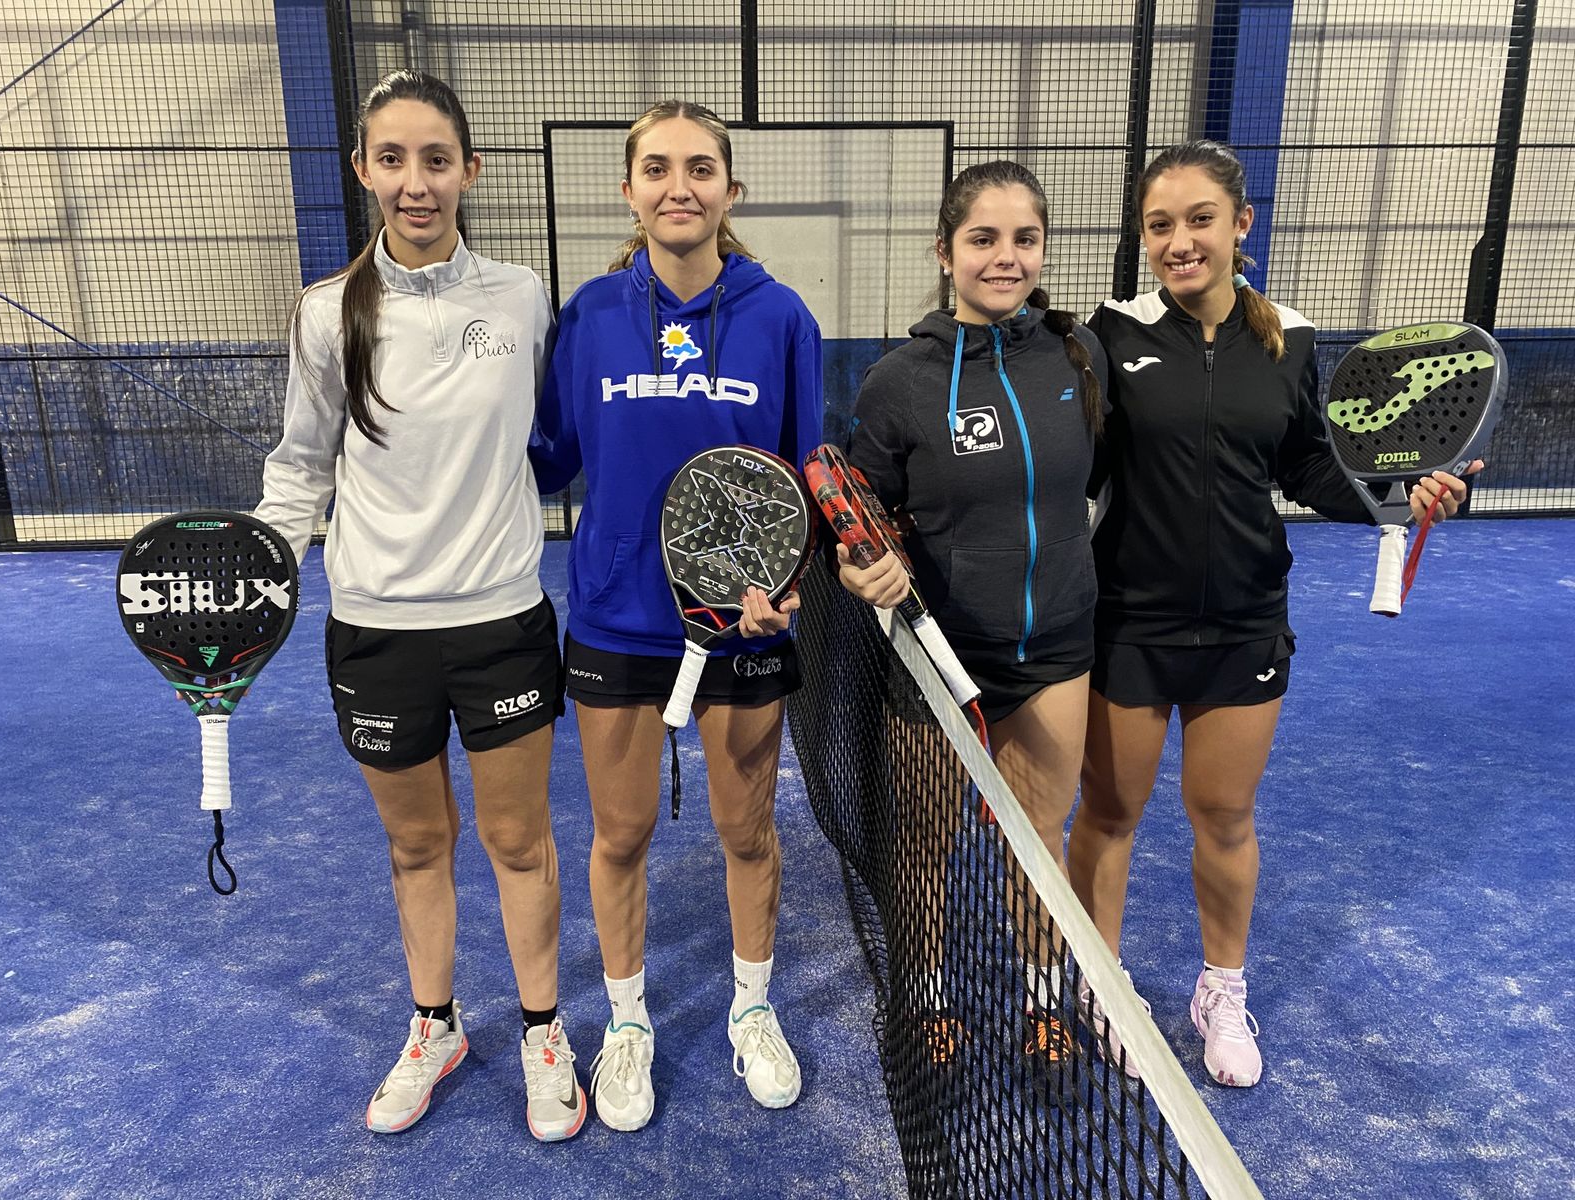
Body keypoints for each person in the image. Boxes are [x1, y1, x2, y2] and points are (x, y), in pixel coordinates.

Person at [1070, 139, 1479, 1088]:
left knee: (1224, 813)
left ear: (1241, 225)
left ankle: (1222, 988)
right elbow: (1074, 467)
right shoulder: (1107, 332)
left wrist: (1396, 492)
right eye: (1160, 225)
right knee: (1113, 811)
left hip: (1246, 624)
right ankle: (1101, 981)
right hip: (1127, 623)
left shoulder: (1288, 339)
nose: (1180, 242)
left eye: (1199, 220)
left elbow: (1304, 465)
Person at [255, 69, 585, 1142]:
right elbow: (302, 466)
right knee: (415, 846)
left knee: (518, 841)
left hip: (500, 621)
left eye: (435, 160)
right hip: (377, 630)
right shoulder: (323, 316)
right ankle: (435, 1024)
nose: (415, 182)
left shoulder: (522, 295)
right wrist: (265, 558)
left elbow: (556, 433)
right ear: (363, 171)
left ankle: (542, 1030)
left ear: (468, 172)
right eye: (391, 160)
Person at [530, 100, 823, 1131]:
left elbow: (803, 474)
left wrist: (781, 591)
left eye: (700, 168)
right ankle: (626, 1028)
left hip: (741, 629)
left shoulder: (781, 317)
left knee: (747, 832)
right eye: (656, 168)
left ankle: (750, 1008)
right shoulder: (588, 316)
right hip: (616, 623)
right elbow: (547, 457)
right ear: (629, 190)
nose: (678, 186)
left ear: (729, 191)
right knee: (622, 835)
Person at [838, 160, 1107, 1072]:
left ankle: (1043, 1004)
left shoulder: (1076, 359)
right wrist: (861, 568)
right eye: (983, 239)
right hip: (934, 658)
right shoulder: (899, 382)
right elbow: (859, 522)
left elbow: (1092, 483)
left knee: (1040, 840)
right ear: (946, 251)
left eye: (1023, 238)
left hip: (1057, 650)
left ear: (1043, 247)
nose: (1005, 257)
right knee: (924, 843)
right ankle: (930, 997)